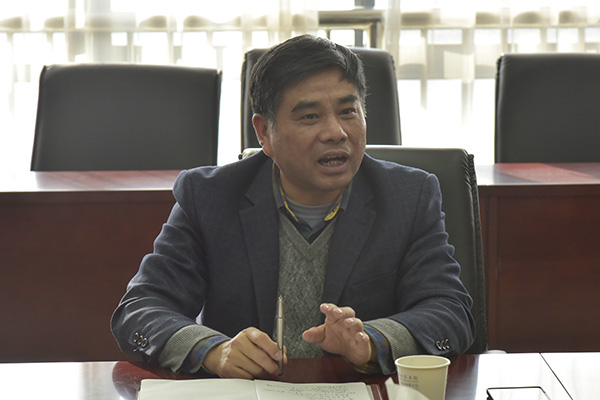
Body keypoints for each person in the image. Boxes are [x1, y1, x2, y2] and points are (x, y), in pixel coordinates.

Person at [111, 34, 475, 379]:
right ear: (264, 133)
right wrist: (214, 350)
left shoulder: (408, 196)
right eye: (310, 116)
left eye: (348, 111)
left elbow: (449, 312)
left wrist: (372, 341)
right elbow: (140, 308)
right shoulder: (210, 196)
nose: (336, 132)